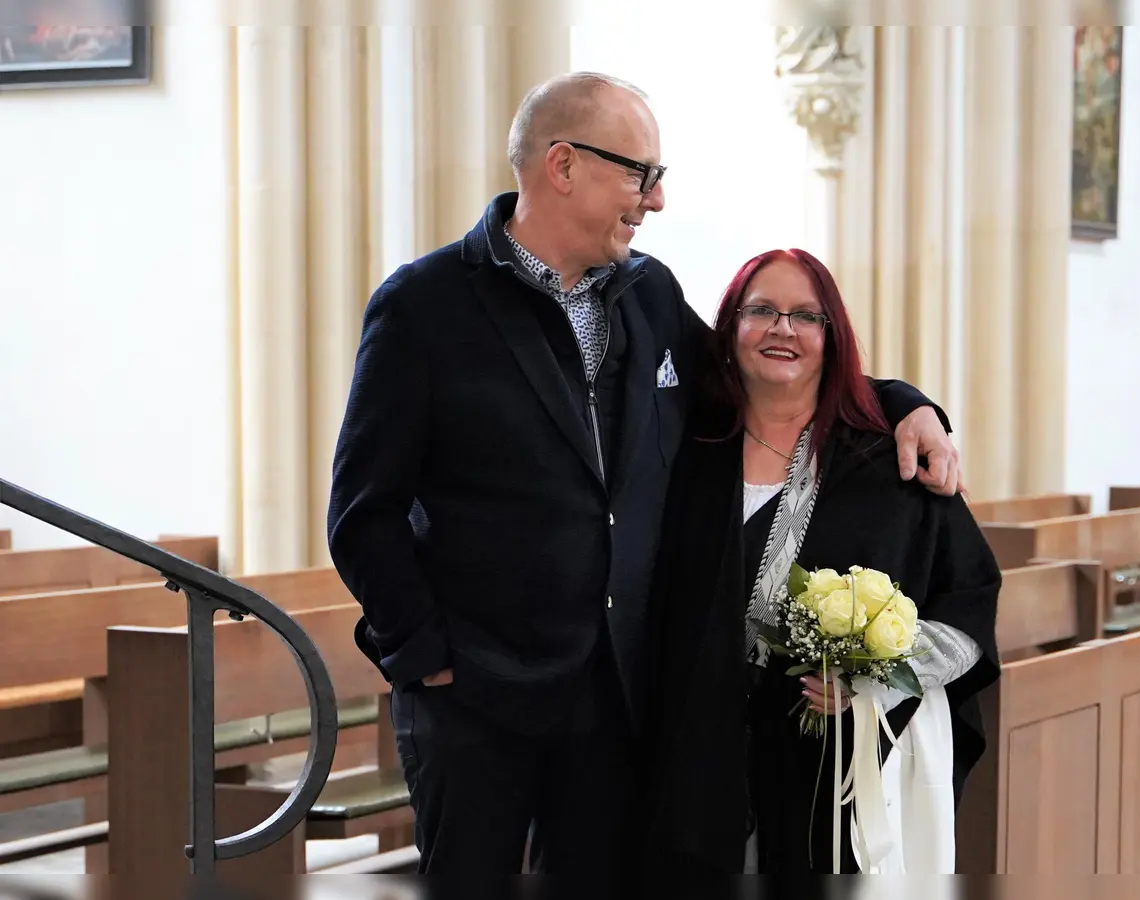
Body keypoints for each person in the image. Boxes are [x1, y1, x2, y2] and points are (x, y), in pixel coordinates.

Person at [325, 71, 963, 876]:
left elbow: (752, 376)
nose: (654, 200)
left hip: (618, 696)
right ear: (562, 165)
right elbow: (362, 510)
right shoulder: (424, 307)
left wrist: (905, 402)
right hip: (476, 702)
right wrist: (425, 655)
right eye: (640, 174)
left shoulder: (647, 293)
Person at [645, 248, 1001, 874]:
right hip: (693, 755)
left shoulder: (889, 462)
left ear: (832, 338)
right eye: (761, 310)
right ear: (728, 329)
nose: (783, 329)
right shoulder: (687, 451)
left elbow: (969, 597)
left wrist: (875, 676)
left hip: (835, 772)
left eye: (806, 316)